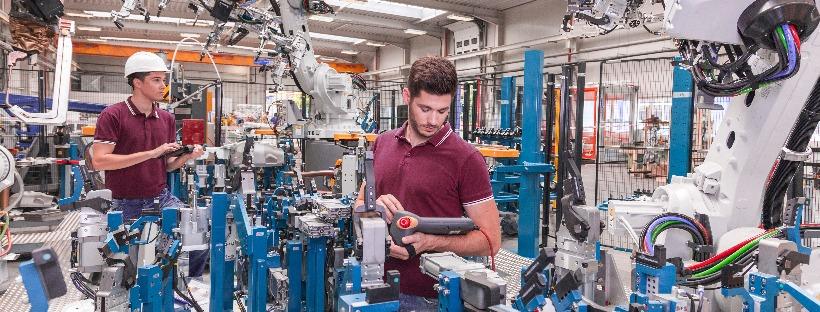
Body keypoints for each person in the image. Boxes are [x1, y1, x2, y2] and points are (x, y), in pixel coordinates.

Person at [355, 56, 501, 311]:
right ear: (406, 96)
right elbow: (359, 205)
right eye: (425, 109)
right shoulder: (382, 143)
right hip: (374, 286)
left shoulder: (466, 159)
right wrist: (373, 207)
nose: (433, 120)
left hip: (431, 298)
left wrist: (428, 242)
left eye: (442, 111)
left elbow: (491, 240)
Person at [91, 51, 207, 276]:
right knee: (125, 267)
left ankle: (177, 289)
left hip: (160, 198)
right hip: (122, 203)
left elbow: (167, 166)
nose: (162, 85)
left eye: (163, 80)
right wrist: (153, 152)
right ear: (137, 82)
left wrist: (187, 156)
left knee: (198, 238)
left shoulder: (166, 119)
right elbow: (99, 161)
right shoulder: (112, 115)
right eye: (156, 80)